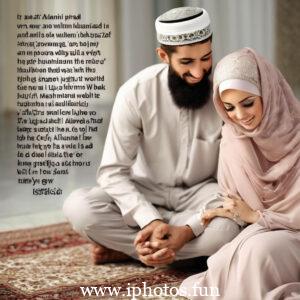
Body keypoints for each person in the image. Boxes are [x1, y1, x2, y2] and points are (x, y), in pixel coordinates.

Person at [63, 7, 240, 267]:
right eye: (187, 62)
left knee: (225, 231)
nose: (200, 72)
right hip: (146, 191)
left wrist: (189, 227)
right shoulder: (135, 92)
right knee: (80, 208)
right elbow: (112, 172)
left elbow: (234, 180)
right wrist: (150, 219)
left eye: (206, 58)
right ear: (163, 56)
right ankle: (171, 250)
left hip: (202, 195)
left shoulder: (225, 93)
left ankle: (134, 250)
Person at [180, 48, 300, 299]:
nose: (240, 116)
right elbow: (232, 198)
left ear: (269, 93)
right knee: (223, 260)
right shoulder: (233, 138)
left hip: (292, 231)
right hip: (263, 229)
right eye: (229, 108)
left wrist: (257, 216)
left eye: (248, 103)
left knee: (258, 252)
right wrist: (220, 212)